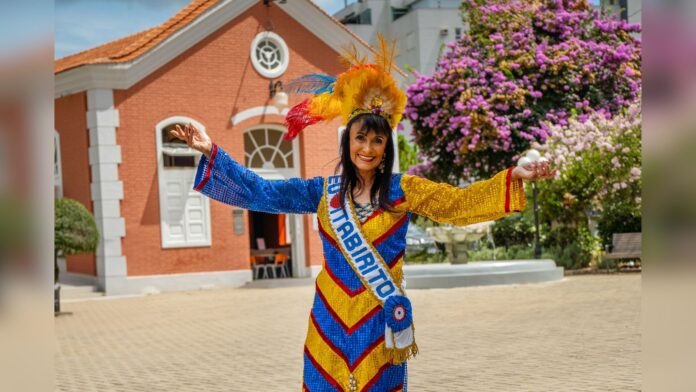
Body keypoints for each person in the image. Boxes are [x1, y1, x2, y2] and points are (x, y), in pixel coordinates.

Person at [170, 36, 554, 392]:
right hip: (329, 325)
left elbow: (458, 204)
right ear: (347, 141)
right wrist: (211, 152)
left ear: (386, 146)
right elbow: (263, 192)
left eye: (377, 139)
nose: (368, 148)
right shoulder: (322, 193)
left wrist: (512, 178)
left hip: (380, 322)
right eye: (360, 138)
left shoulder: (404, 190)